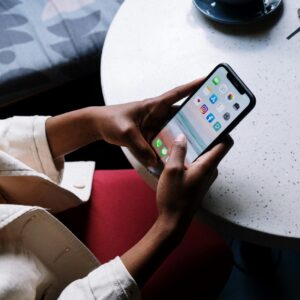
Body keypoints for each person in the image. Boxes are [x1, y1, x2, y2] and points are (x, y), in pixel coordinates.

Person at [0, 79, 233, 299]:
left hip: (49, 200)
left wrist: (93, 121)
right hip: (77, 283)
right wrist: (170, 226)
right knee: (212, 251)